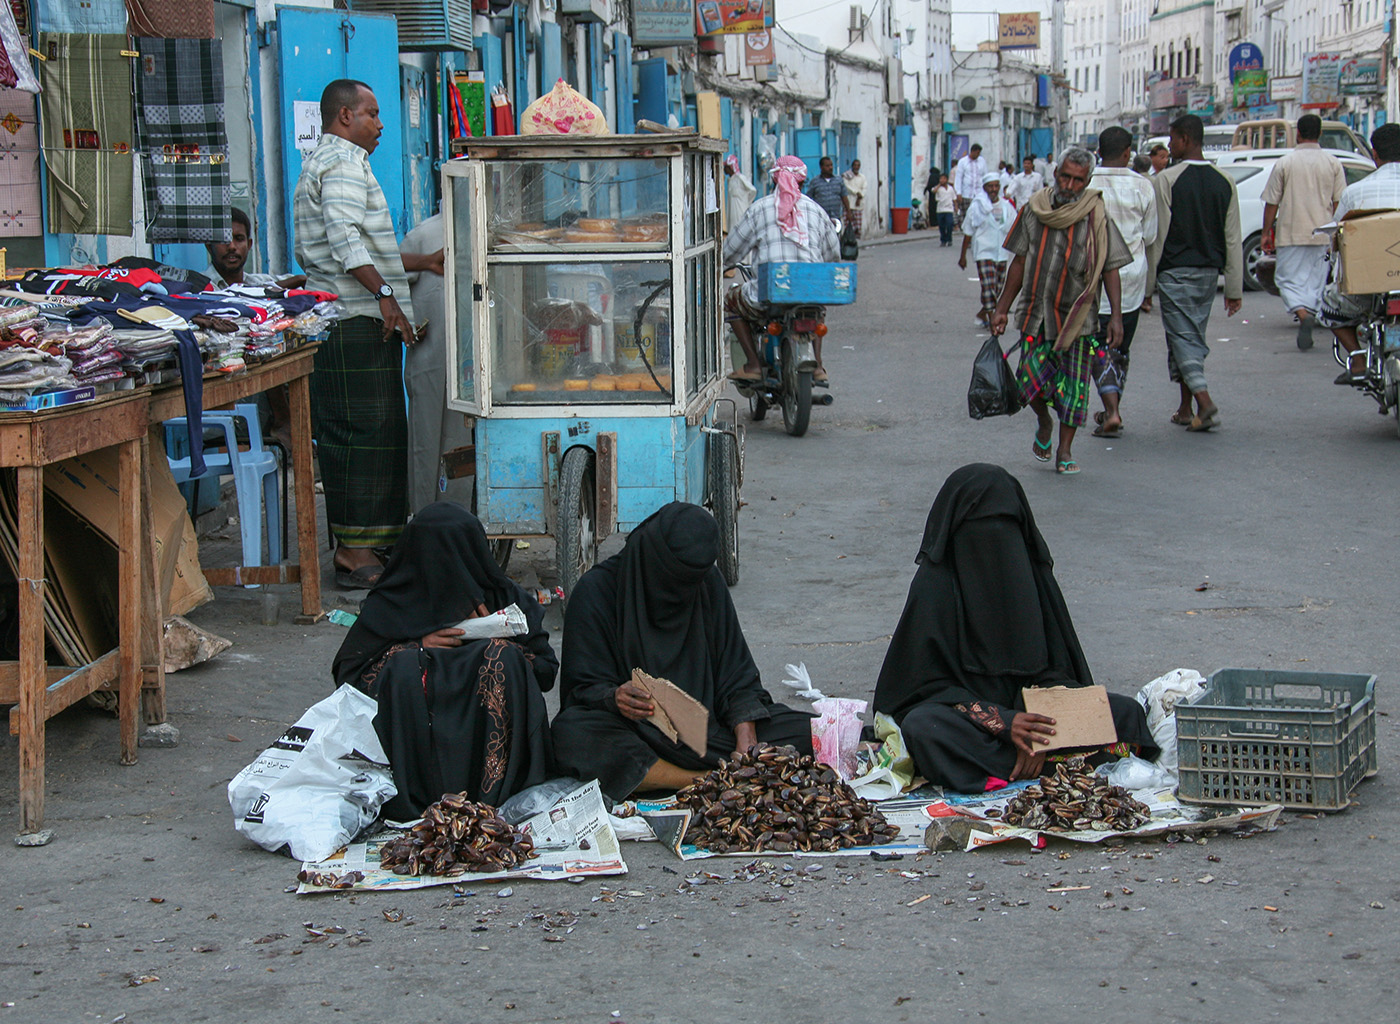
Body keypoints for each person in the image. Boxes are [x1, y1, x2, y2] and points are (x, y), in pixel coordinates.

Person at [872, 464, 1158, 792]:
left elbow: (1058, 672)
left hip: (1040, 720)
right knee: (924, 728)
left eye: (1005, 529)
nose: (996, 544)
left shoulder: (1031, 577)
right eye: (982, 528)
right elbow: (917, 692)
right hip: (971, 722)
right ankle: (1054, 769)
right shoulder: (935, 586)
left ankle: (1015, 767)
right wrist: (1002, 722)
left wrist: (1038, 727)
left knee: (1128, 715)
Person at [550, 503, 815, 802]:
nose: (677, 592)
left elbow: (737, 675)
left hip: (709, 733)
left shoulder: (705, 583)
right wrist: (614, 698)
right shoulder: (596, 591)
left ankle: (732, 770)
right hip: (638, 734)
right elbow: (581, 690)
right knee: (573, 734)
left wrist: (746, 736)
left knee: (806, 732)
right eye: (672, 580)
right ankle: (703, 780)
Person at [294, 79, 438, 588]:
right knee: (359, 434)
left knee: (379, 432)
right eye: (372, 114)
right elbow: (344, 238)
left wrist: (421, 262)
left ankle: (374, 542)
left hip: (356, 318)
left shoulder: (337, 163)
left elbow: (364, 243)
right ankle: (354, 552)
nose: (381, 125)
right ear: (344, 117)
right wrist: (385, 297)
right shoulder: (341, 164)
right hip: (350, 321)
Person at [332, 503, 558, 820]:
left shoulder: (501, 597)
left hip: (494, 759)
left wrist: (498, 642)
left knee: (503, 659)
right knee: (404, 667)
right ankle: (421, 802)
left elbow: (546, 671)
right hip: (415, 763)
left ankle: (494, 802)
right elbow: (350, 681)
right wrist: (415, 649)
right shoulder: (391, 604)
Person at [989, 147, 1132, 476]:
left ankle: (1065, 450)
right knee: (1027, 383)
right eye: (1065, 176)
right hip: (1036, 314)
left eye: (1078, 180)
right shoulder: (1033, 209)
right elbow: (1019, 262)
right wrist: (1001, 309)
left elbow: (1111, 268)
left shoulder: (1097, 215)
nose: (1070, 184)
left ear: (1087, 181)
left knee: (1075, 388)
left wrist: (1118, 318)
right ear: (1056, 174)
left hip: (1077, 319)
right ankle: (1043, 420)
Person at [1145, 114, 1242, 433]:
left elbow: (1157, 236)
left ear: (1185, 139)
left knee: (1183, 337)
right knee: (1187, 336)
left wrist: (1147, 287)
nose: (1169, 146)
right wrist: (1234, 287)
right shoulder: (1224, 181)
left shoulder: (1167, 180)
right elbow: (1232, 237)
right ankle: (1186, 409)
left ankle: (1204, 400)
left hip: (1175, 271)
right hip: (1208, 273)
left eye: (1172, 139)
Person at [723, 155, 840, 384]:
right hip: (810, 291)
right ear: (803, 182)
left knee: (730, 301)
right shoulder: (816, 211)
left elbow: (731, 251)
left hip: (771, 295)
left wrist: (722, 263)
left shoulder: (760, 209)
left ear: (775, 180)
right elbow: (833, 255)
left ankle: (754, 365)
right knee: (816, 310)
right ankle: (817, 365)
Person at [397, 212, 470, 513]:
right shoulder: (425, 234)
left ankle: (460, 522)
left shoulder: (487, 228)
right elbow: (392, 278)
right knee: (426, 444)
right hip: (431, 357)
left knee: (461, 445)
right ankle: (423, 520)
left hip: (470, 364)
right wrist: (409, 320)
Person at [1089, 127, 1158, 438]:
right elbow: (1151, 234)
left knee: (1097, 345)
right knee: (1120, 346)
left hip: (1092, 278)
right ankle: (1112, 408)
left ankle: (1111, 410)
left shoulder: (1086, 182)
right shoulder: (1143, 186)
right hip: (1131, 276)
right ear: (1128, 151)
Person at [1319, 123, 1400, 382]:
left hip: (1368, 291)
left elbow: (1336, 239)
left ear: (1374, 155)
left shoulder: (1354, 193)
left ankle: (1357, 357)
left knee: (1328, 304)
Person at [1261, 115, 1346, 351]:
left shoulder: (1285, 163)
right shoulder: (1332, 163)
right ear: (1320, 134)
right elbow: (1339, 203)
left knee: (1286, 279)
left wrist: (1266, 232)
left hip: (1291, 232)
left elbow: (1271, 202)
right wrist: (1336, 233)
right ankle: (1310, 313)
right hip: (1323, 234)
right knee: (1316, 281)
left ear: (1298, 133)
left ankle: (1302, 312)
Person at [959, 172, 1014, 326]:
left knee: (997, 289)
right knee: (988, 287)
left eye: (996, 186)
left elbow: (1014, 228)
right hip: (983, 251)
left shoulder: (1006, 207)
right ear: (985, 188)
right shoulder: (977, 207)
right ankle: (992, 320)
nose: (993, 189)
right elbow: (968, 231)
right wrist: (962, 256)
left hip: (1001, 253)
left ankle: (983, 313)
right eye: (990, 186)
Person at [204, 207, 305, 290]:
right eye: (224, 240)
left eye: (239, 239)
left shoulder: (256, 281)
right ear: (209, 246)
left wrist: (299, 280)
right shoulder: (197, 286)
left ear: (249, 245)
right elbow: (238, 298)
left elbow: (302, 281)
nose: (232, 247)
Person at [953, 144, 986, 229]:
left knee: (978, 215)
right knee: (967, 215)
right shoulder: (963, 162)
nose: (978, 155)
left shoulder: (982, 161)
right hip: (967, 193)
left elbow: (985, 175)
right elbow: (959, 177)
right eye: (977, 153)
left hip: (979, 193)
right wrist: (958, 192)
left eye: (979, 153)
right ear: (972, 151)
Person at [807, 155, 848, 224]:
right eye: (827, 166)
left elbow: (844, 197)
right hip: (821, 218)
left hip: (836, 217)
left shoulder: (839, 180)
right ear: (821, 167)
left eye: (831, 165)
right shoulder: (815, 182)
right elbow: (809, 199)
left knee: (836, 234)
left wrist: (848, 212)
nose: (830, 168)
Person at [724, 154, 757, 229]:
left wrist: (747, 201)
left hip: (740, 210)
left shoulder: (740, 178)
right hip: (732, 211)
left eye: (726, 167)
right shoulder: (730, 180)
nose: (724, 169)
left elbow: (752, 190)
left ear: (730, 168)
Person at [841, 158, 867, 237]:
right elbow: (847, 186)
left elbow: (864, 188)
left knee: (857, 222)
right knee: (847, 221)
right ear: (852, 166)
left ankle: (856, 235)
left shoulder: (862, 177)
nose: (856, 167)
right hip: (849, 201)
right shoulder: (847, 175)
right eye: (855, 165)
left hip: (858, 202)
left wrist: (860, 195)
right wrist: (857, 192)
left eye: (858, 165)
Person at [933, 174, 957, 246]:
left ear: (946, 180)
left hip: (949, 209)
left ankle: (949, 239)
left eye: (943, 179)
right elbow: (933, 191)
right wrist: (939, 185)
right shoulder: (938, 188)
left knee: (949, 224)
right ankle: (943, 240)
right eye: (941, 179)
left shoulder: (950, 188)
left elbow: (954, 198)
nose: (942, 180)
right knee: (942, 226)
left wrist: (956, 206)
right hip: (940, 209)